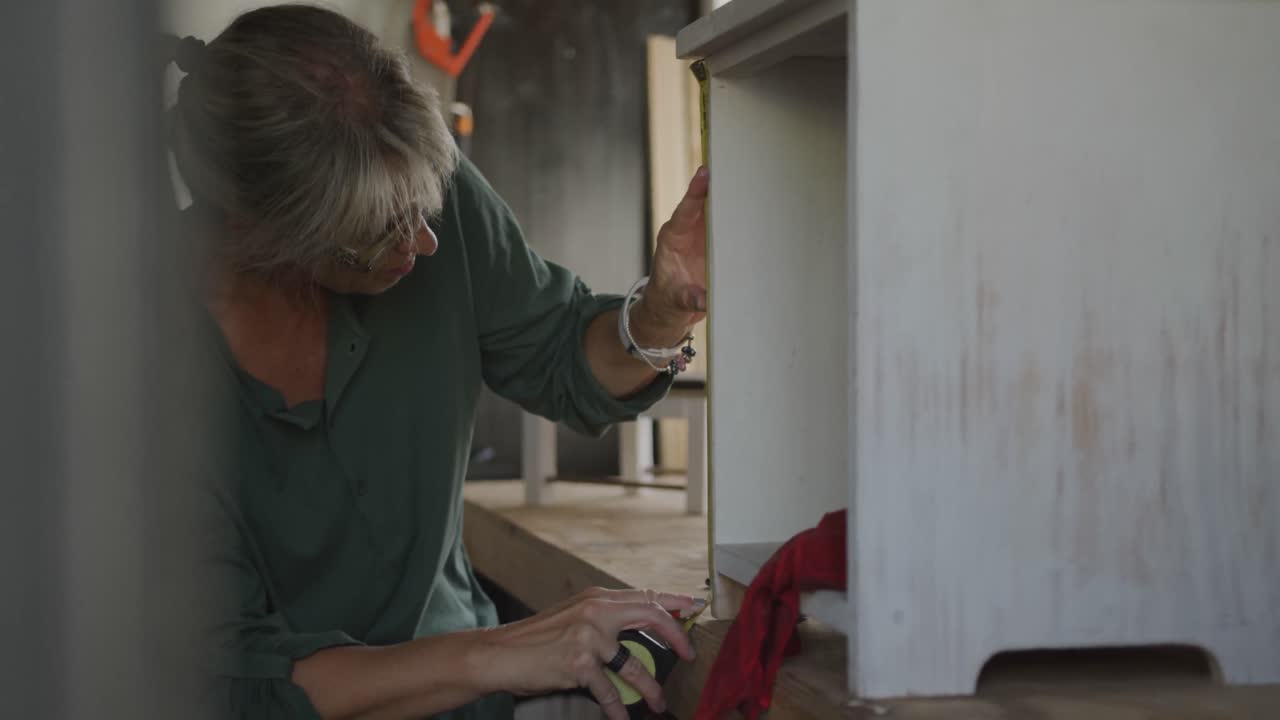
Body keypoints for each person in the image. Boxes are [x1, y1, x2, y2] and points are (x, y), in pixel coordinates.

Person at [164, 5, 708, 720]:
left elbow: (560, 356)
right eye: (378, 231)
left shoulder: (419, 193)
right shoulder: (135, 365)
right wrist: (497, 653)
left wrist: (663, 312)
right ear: (256, 231)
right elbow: (238, 684)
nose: (422, 244)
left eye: (424, 207)